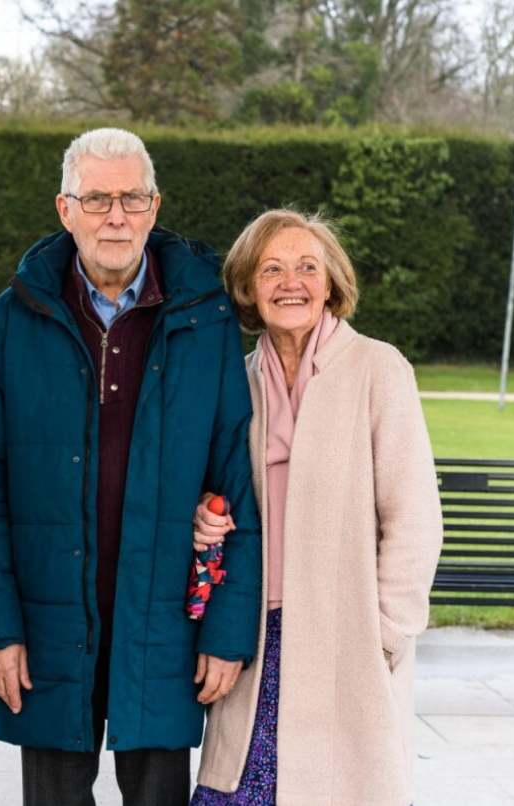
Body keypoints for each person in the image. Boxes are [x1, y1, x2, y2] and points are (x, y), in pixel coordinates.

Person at [0, 127, 262, 806]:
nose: (115, 216)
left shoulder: (205, 320)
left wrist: (227, 631)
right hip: (46, 620)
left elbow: (239, 480)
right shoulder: (15, 320)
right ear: (65, 210)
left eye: (131, 198)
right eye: (96, 199)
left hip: (164, 621)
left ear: (155, 207)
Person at [191, 209, 443, 806]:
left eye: (308, 267)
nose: (291, 282)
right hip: (254, 632)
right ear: (249, 287)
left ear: (331, 283)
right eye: (271, 269)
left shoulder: (378, 369)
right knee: (240, 789)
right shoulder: (238, 379)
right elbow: (218, 489)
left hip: (345, 636)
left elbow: (414, 517)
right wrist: (204, 516)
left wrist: (385, 633)